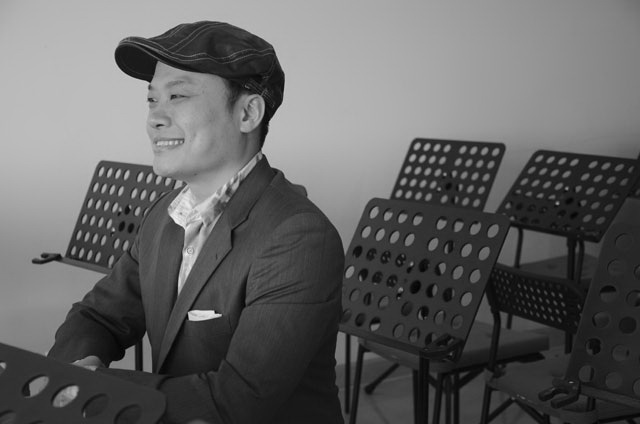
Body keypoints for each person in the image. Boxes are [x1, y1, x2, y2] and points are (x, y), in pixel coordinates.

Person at [47, 21, 345, 424]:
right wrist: (74, 370)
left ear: (247, 113)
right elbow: (98, 316)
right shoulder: (164, 214)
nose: (154, 118)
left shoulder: (298, 236)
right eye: (152, 100)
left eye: (178, 96)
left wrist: (97, 389)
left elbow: (239, 400)